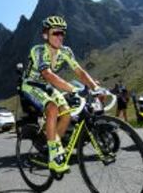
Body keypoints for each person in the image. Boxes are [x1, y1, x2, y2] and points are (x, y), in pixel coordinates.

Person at [21, 15, 102, 173]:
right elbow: (48, 75)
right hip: (31, 85)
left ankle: (54, 147)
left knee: (66, 113)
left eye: (62, 33)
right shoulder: (37, 50)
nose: (60, 36)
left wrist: (94, 87)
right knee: (52, 108)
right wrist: (73, 89)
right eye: (55, 33)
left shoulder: (66, 51)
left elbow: (79, 71)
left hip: (47, 86)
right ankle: (54, 154)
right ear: (46, 35)